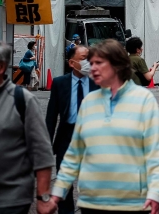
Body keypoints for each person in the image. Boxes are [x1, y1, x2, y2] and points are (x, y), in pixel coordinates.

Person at [50, 39, 159, 214]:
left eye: (98, 63)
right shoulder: (89, 102)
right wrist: (57, 193)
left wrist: (155, 192)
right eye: (90, 63)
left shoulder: (143, 99)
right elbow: (74, 154)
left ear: (117, 65)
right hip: (92, 202)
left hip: (132, 201)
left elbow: (155, 152)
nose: (92, 68)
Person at [0, 38, 55, 214]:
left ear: (0, 67)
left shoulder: (22, 100)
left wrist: (43, 197)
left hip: (10, 201)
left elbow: (42, 154)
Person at [45, 45, 100, 214]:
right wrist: (46, 145)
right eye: (84, 58)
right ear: (72, 62)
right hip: (66, 137)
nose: (88, 62)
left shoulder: (98, 83)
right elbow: (51, 115)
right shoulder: (60, 83)